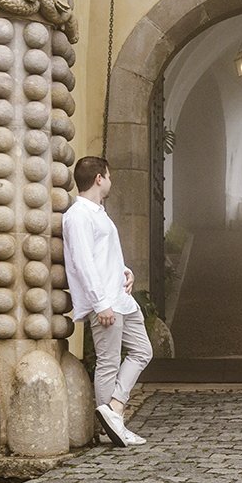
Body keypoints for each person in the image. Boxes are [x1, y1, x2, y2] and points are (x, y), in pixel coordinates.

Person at [63, 155, 152, 447]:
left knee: (142, 350)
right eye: (109, 176)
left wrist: (125, 271)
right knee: (108, 363)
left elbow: (104, 255)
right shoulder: (78, 215)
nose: (111, 181)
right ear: (99, 178)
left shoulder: (99, 212)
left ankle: (113, 408)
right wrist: (100, 304)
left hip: (120, 297)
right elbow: (83, 262)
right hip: (106, 302)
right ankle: (110, 429)